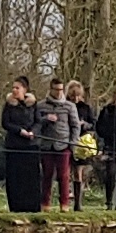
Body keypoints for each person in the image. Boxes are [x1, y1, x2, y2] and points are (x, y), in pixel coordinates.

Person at [1, 77, 42, 213]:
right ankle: (16, 206)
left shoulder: (33, 104)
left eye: (17, 88)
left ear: (25, 89)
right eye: (13, 87)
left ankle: (32, 206)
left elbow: (38, 121)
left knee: (31, 178)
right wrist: (19, 131)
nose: (14, 90)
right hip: (14, 145)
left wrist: (33, 132)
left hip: (31, 146)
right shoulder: (9, 105)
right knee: (15, 177)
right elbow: (5, 123)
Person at [36, 80, 78, 211]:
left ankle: (64, 204)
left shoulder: (69, 106)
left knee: (64, 175)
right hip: (47, 145)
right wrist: (45, 119)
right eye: (56, 89)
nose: (59, 92)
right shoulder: (41, 105)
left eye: (61, 89)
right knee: (47, 174)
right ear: (51, 89)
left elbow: (75, 126)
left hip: (64, 144)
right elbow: (36, 123)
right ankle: (45, 204)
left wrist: (72, 143)